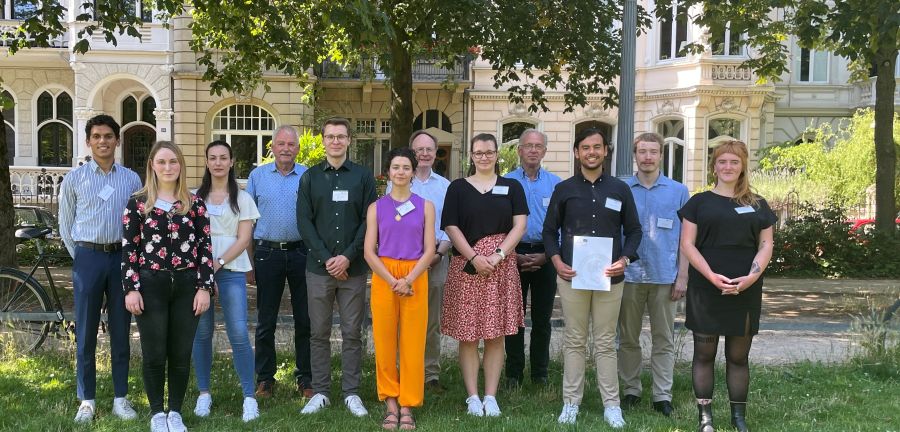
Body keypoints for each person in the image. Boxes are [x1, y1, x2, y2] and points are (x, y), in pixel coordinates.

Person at [543, 128, 642, 428]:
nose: (591, 152)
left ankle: (612, 405)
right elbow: (549, 231)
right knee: (574, 340)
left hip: (609, 278)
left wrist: (624, 259)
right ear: (577, 152)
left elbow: (635, 231)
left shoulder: (620, 189)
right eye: (585, 147)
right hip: (572, 275)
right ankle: (570, 403)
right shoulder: (564, 189)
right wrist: (557, 261)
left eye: (597, 147)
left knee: (604, 341)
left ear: (605, 151)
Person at [678, 140, 776, 432]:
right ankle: (705, 418)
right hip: (706, 289)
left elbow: (766, 244)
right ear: (714, 166)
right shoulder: (698, 202)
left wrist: (751, 278)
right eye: (722, 161)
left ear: (743, 165)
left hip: (745, 290)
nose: (728, 167)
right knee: (704, 354)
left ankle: (738, 418)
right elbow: (687, 244)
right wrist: (711, 276)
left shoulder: (758, 205)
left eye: (734, 162)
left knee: (738, 357)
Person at [121, 141, 215, 432]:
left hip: (187, 285)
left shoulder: (195, 203)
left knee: (180, 352)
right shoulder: (137, 203)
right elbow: (129, 249)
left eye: (173, 162)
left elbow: (204, 248)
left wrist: (204, 287)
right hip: (150, 284)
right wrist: (131, 288)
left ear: (181, 165)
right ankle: (156, 413)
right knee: (154, 352)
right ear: (152, 165)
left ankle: (174, 411)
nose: (167, 167)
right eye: (161, 162)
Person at [59, 114, 141, 424]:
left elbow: (138, 223)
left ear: (117, 141)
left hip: (121, 259)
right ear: (88, 141)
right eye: (97, 136)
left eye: (108, 136)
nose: (103, 141)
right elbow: (65, 224)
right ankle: (87, 401)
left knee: (121, 330)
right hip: (88, 258)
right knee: (86, 332)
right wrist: (81, 256)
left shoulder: (132, 179)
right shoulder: (75, 179)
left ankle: (121, 398)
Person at [441, 133, 528, 417]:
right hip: (467, 267)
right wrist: (475, 257)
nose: (484, 157)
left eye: (489, 152)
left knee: (495, 335)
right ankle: (472, 396)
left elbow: (520, 225)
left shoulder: (511, 186)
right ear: (471, 155)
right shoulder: (457, 188)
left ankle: (491, 396)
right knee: (467, 335)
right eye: (478, 153)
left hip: (500, 268)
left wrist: (498, 255)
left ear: (497, 155)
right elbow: (451, 227)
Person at [298, 117, 377, 417]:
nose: (335, 141)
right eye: (330, 136)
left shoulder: (362, 177)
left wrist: (347, 257)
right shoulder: (310, 178)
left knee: (352, 333)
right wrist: (327, 260)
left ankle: (351, 392)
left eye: (340, 136)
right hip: (318, 270)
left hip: (353, 270)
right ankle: (320, 392)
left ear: (348, 140)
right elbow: (304, 222)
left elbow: (369, 222)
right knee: (318, 333)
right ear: (322, 140)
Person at [617, 132, 690, 416]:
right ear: (635, 155)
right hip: (630, 276)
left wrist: (682, 276)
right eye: (642, 151)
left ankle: (662, 395)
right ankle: (631, 390)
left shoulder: (678, 191)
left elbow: (687, 238)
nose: (647, 157)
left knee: (664, 339)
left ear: (661, 155)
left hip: (664, 276)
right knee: (628, 338)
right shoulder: (622, 189)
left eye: (653, 152)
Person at [364, 147, 435, 430]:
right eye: (396, 167)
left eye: (406, 167)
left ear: (413, 171)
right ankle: (390, 400)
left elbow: (430, 249)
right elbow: (369, 251)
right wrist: (392, 280)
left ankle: (408, 403)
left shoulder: (425, 205)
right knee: (384, 341)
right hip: (384, 276)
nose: (401, 172)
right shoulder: (376, 207)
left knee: (413, 342)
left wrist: (408, 279)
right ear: (388, 172)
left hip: (415, 274)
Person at [191, 141, 261, 422]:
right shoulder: (195, 198)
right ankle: (204, 393)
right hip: (199, 276)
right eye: (212, 158)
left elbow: (244, 239)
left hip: (231, 272)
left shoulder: (242, 198)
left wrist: (216, 265)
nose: (218, 162)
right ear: (206, 162)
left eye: (223, 158)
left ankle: (249, 397)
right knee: (202, 334)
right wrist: (205, 273)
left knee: (239, 333)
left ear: (232, 162)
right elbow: (191, 240)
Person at [245, 125, 312, 399]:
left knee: (305, 319)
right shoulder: (257, 176)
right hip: (266, 254)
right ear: (271, 147)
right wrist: (248, 262)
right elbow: (246, 221)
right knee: (266, 321)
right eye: (281, 143)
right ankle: (265, 379)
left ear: (298, 148)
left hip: (302, 254)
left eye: (291, 144)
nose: (286, 148)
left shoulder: (308, 175)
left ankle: (306, 378)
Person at [386, 130, 452, 392]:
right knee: (404, 319)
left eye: (429, 149)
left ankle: (430, 374)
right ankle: (404, 370)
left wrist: (439, 254)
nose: (424, 154)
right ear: (411, 154)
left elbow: (449, 225)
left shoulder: (445, 187)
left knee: (431, 320)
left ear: (436, 153)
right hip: (404, 261)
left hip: (436, 257)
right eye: (419, 150)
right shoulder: (397, 183)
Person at [503, 129, 561, 388]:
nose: (533, 150)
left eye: (538, 146)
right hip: (511, 256)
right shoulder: (504, 183)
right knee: (513, 319)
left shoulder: (556, 184)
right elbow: (499, 223)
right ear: (519, 150)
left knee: (542, 319)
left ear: (545, 151)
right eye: (528, 146)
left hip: (546, 256)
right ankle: (513, 374)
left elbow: (562, 226)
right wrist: (510, 254)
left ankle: (540, 373)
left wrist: (547, 255)